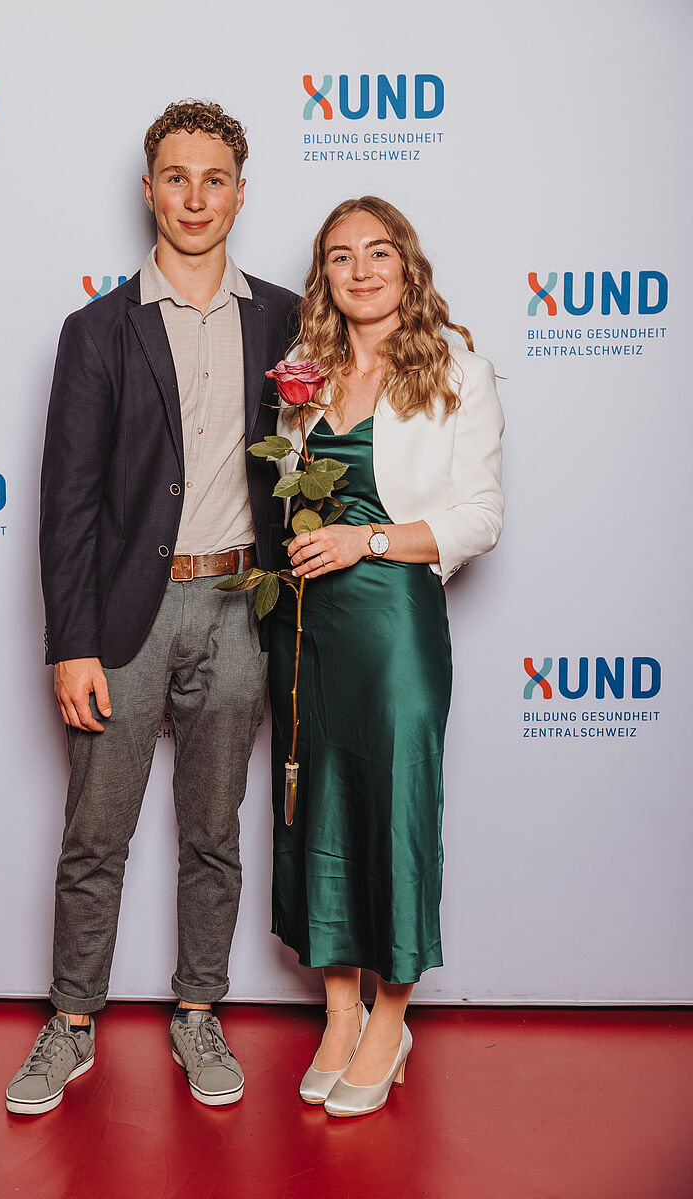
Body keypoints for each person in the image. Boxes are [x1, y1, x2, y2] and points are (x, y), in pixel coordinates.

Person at [5, 100, 298, 1114]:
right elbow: (69, 502)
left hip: (239, 605)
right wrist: (71, 642)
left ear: (240, 194)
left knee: (214, 829)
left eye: (214, 179)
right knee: (96, 833)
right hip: (126, 614)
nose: (195, 198)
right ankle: (72, 1020)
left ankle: (198, 1009)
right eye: (176, 177)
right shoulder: (96, 330)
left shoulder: (286, 319)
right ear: (148, 189)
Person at [269, 196, 504, 1117]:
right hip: (310, 621)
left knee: (397, 803)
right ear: (323, 274)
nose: (360, 271)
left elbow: (480, 517)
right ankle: (339, 1012)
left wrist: (364, 542)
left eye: (378, 252)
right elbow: (286, 490)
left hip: (396, 619)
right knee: (318, 805)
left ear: (407, 263)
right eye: (340, 256)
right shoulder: (303, 370)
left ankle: (391, 1017)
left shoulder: (457, 370)